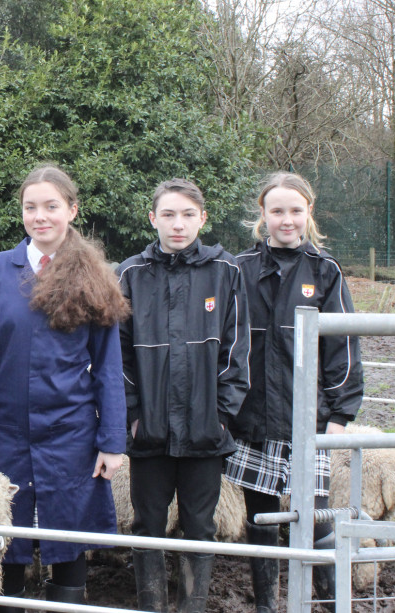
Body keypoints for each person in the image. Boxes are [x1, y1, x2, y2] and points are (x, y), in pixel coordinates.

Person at [0, 164, 129, 608]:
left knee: (68, 537)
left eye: (51, 206)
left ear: (71, 210)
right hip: (4, 431)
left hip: (70, 433)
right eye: (30, 207)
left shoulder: (95, 275)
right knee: (6, 536)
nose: (40, 216)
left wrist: (111, 441)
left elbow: (109, 366)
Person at [225, 172, 363, 613]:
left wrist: (340, 415)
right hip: (254, 417)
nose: (287, 219)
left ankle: (332, 601)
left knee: (317, 513)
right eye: (277, 211)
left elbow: (343, 348)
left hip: (308, 418)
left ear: (308, 214)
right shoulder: (240, 269)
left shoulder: (326, 270)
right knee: (260, 515)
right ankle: (267, 604)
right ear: (262, 216)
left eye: (295, 211)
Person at [117, 178, 251, 613]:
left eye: (188, 215)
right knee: (147, 524)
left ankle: (192, 606)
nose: (178, 224)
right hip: (150, 430)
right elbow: (119, 352)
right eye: (169, 215)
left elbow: (236, 347)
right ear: (153, 218)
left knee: (200, 525)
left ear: (203, 219)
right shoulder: (131, 273)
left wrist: (221, 415)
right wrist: (134, 414)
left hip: (204, 430)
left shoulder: (225, 271)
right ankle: (150, 605)